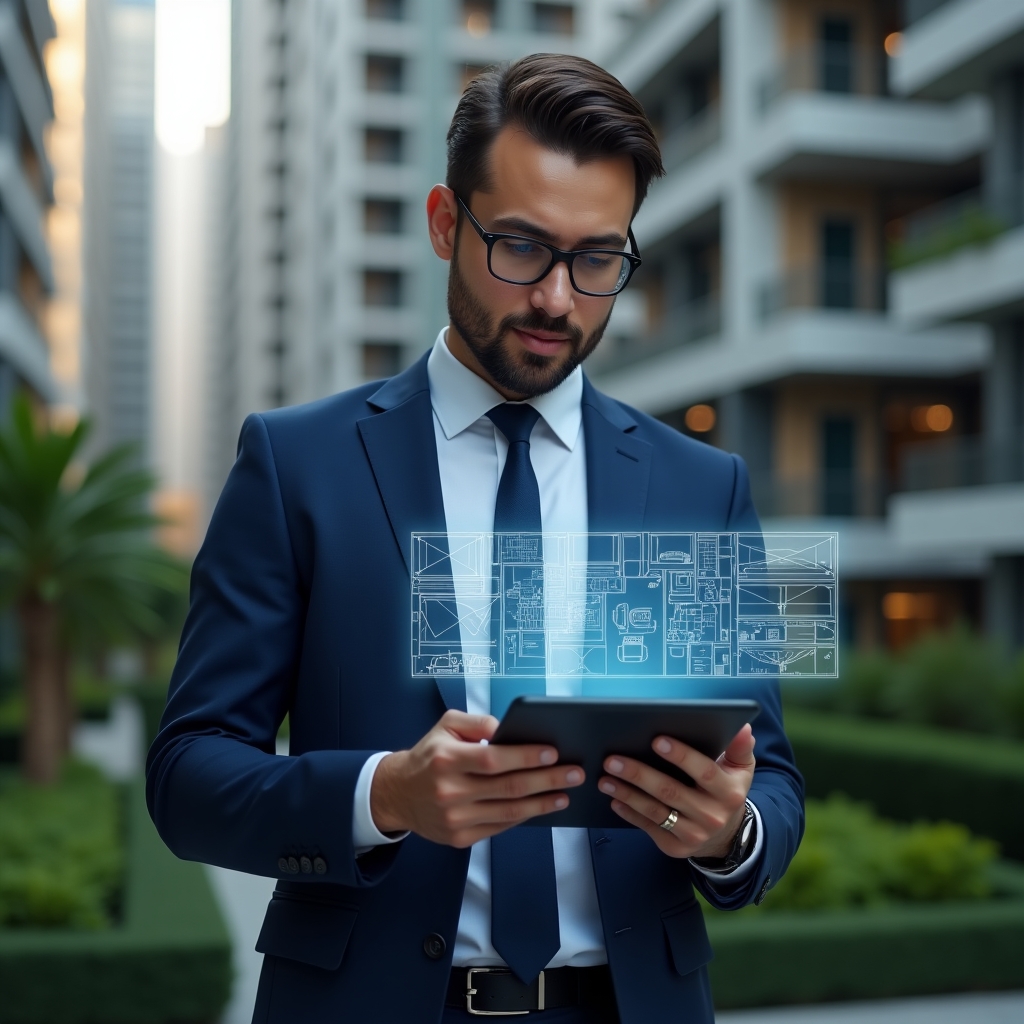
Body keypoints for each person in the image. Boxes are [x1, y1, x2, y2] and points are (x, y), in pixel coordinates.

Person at [146, 54, 804, 1024]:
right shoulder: (298, 463)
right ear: (445, 223)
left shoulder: (700, 489)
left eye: (597, 260)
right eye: (522, 248)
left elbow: (773, 779)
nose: (556, 299)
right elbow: (188, 773)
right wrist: (385, 796)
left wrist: (727, 831)